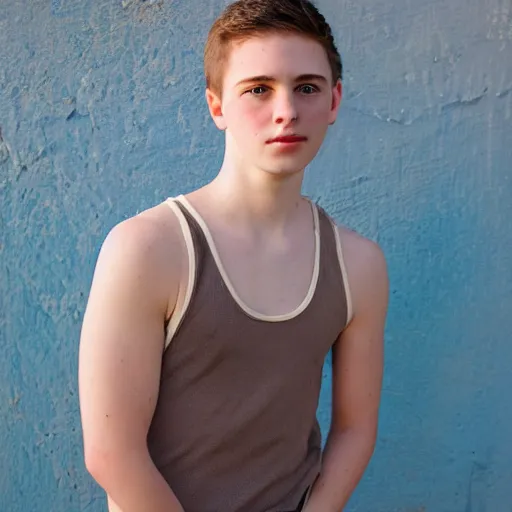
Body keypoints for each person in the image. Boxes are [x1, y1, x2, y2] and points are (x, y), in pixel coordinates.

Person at [78, 1, 389, 511]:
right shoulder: (149, 249)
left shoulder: (359, 266)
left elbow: (355, 429)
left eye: (307, 87)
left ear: (333, 101)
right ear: (217, 106)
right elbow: (111, 453)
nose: (286, 109)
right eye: (258, 89)